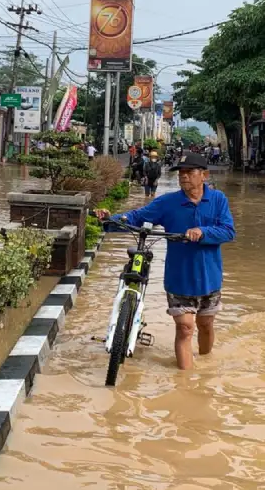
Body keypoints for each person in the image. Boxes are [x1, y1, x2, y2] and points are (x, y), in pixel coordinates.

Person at [95, 152, 235, 370]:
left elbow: (228, 231)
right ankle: (186, 383)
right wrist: (108, 220)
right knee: (186, 328)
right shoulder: (167, 203)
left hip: (210, 278)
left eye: (189, 172)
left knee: (205, 325)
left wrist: (203, 231)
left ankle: (207, 367)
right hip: (179, 278)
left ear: (204, 175)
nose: (184, 177)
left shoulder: (218, 200)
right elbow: (136, 217)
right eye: (181, 173)